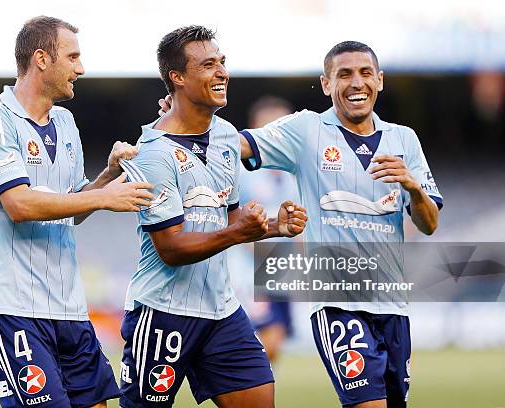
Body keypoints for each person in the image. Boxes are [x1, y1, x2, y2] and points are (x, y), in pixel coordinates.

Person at [160, 41, 442, 408]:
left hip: (392, 304)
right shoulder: (307, 129)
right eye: (344, 74)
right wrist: (181, 116)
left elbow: (429, 223)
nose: (357, 83)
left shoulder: (404, 140)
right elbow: (236, 144)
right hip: (338, 302)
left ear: (380, 81)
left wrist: (412, 187)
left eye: (365, 73)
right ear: (326, 84)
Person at [0, 16, 153, 408]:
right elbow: (18, 204)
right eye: (73, 57)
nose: (80, 69)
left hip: (68, 307)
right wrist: (103, 198)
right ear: (41, 59)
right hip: (11, 307)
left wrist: (107, 175)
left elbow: (72, 206)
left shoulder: (65, 123)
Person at [118, 26, 307, 408]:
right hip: (163, 314)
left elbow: (233, 217)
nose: (222, 72)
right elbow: (170, 248)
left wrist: (274, 227)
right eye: (208, 64)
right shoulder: (152, 153)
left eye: (222, 62)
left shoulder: (224, 136)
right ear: (178, 77)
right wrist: (238, 233)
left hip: (222, 310)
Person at [235, 96, 299, 363]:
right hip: (247, 272)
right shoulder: (242, 172)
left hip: (280, 273)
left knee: (276, 340)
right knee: (265, 337)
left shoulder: (294, 175)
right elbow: (233, 220)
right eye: (270, 127)